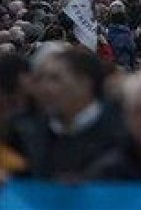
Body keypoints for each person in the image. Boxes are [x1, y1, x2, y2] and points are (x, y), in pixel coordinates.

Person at [4, 46, 124, 180]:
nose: (44, 87)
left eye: (55, 79)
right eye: (40, 79)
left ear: (84, 83)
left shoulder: (122, 132)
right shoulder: (22, 132)